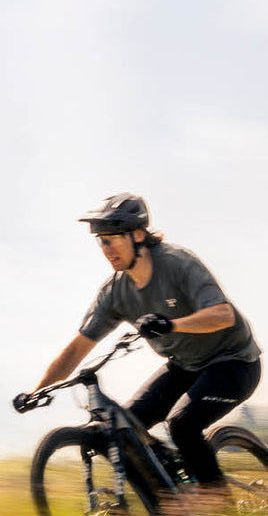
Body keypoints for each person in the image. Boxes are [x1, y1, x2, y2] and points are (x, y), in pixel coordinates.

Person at [16, 192, 260, 497]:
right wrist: (37, 391)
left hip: (234, 361)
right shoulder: (115, 292)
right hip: (185, 364)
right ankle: (168, 515)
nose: (105, 249)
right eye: (100, 241)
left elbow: (223, 315)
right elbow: (76, 349)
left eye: (111, 239)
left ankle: (219, 508)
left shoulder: (177, 263)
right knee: (125, 429)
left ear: (138, 235)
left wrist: (171, 324)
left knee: (182, 426)